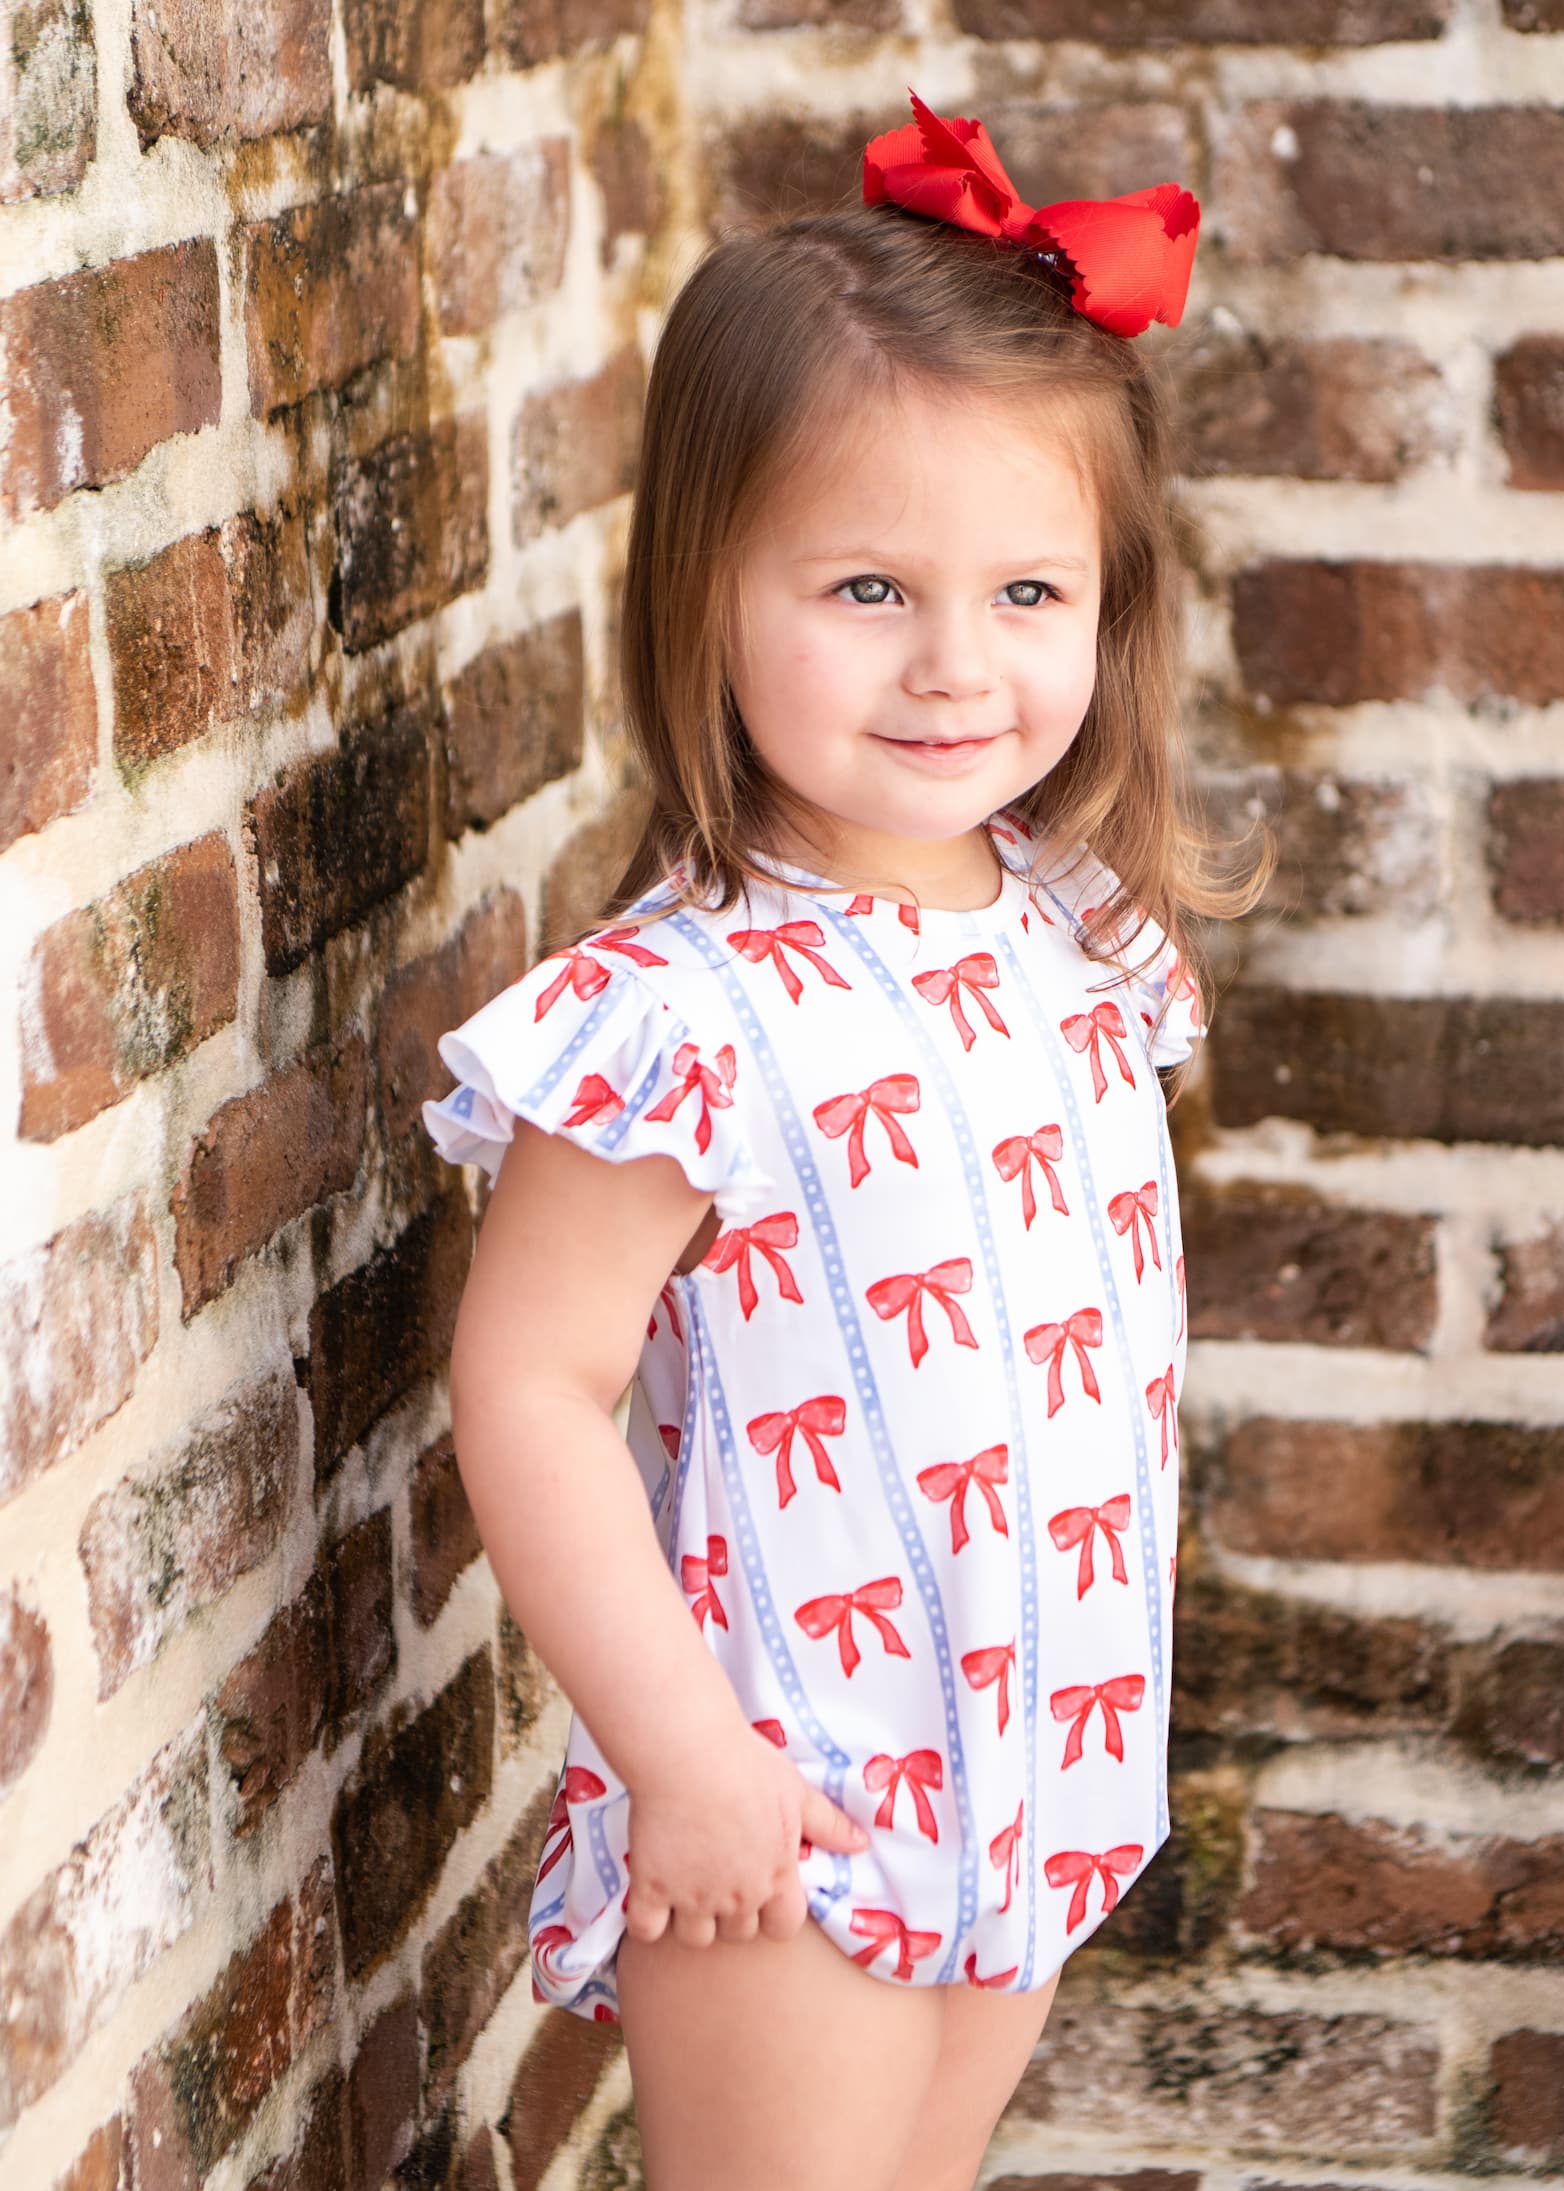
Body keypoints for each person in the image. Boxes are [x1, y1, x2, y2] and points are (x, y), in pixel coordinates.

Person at [423, 91, 1271, 2191]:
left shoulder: (1076, 934)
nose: (956, 665)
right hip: (794, 1795)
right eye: (870, 585)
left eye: (1025, 591)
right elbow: (525, 1381)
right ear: (709, 583)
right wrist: (682, 1759)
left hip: (1045, 1751)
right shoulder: (677, 1014)